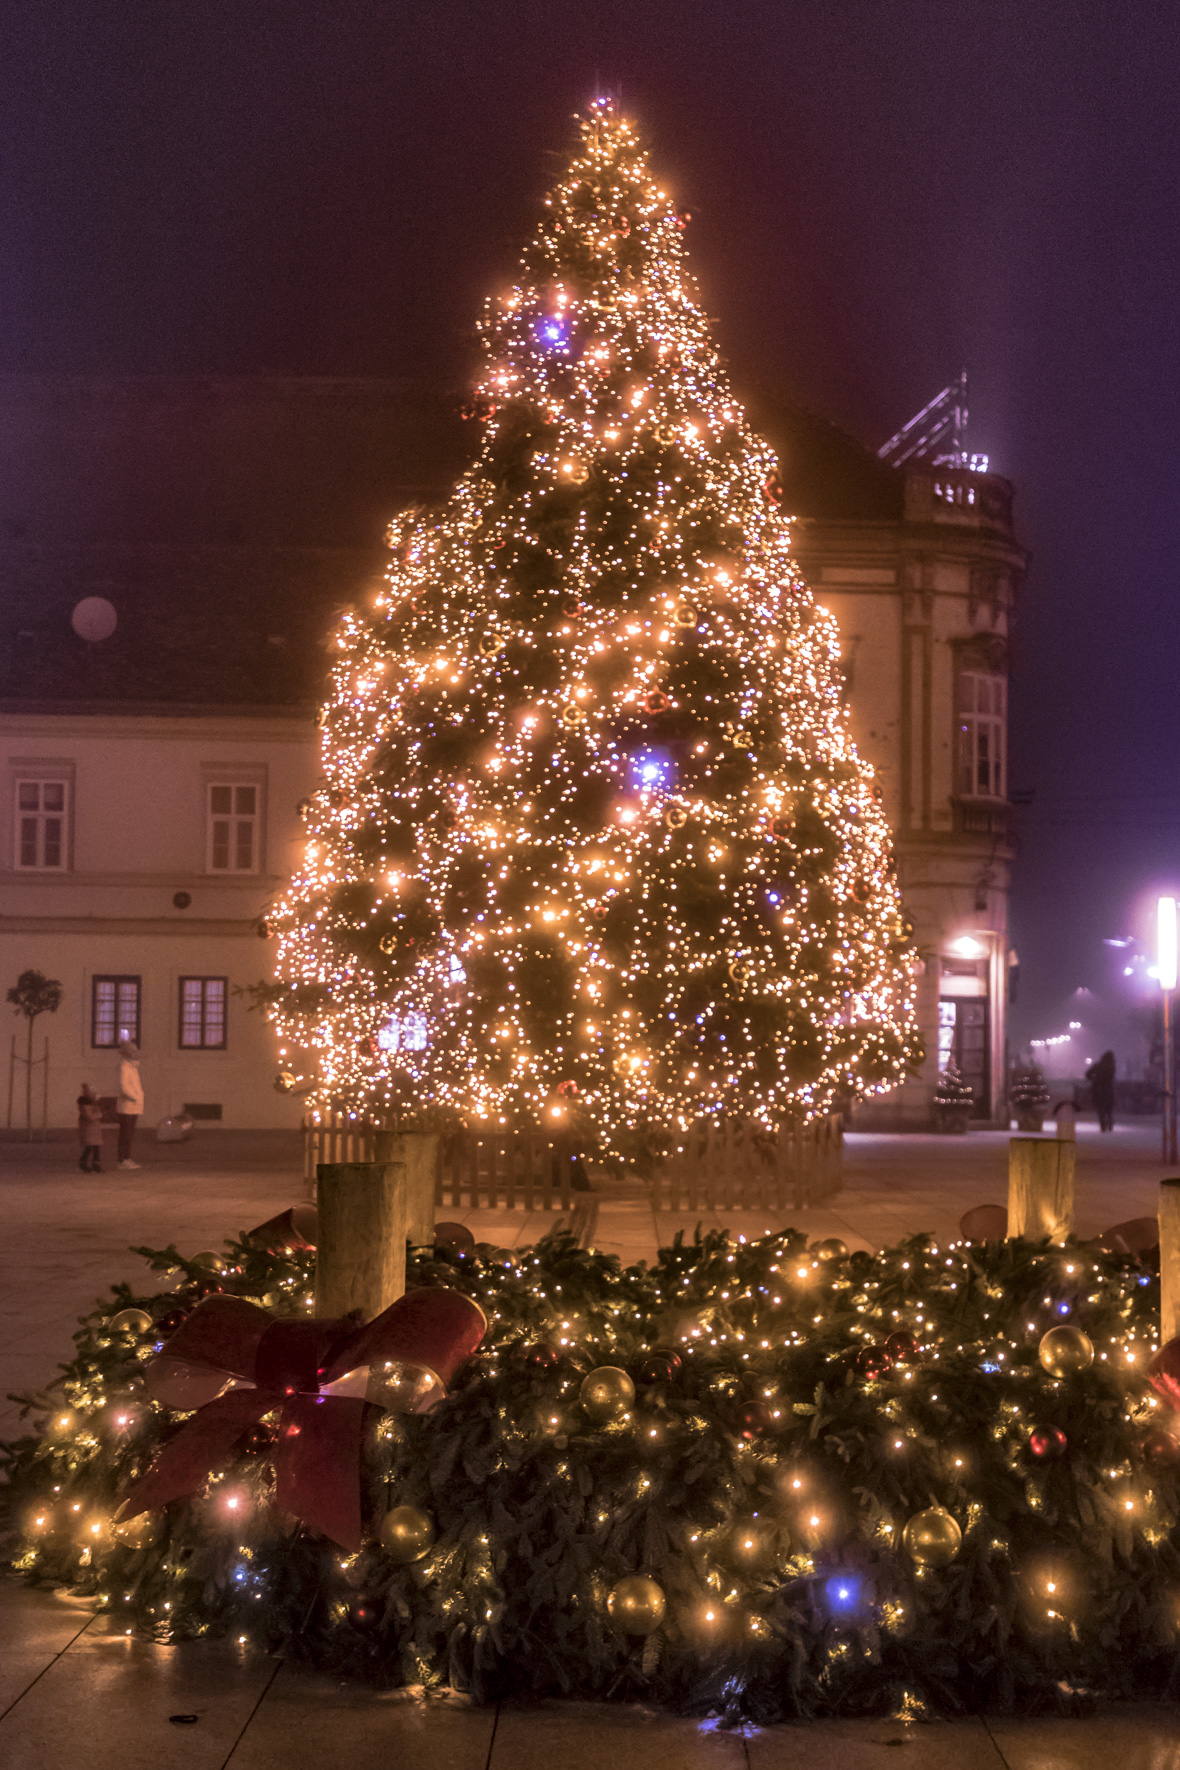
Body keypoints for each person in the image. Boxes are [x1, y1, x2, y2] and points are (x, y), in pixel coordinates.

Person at [116, 1038, 144, 1169]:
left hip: (133, 1107)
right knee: (125, 1135)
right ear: (127, 1053)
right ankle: (122, 1160)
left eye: (136, 1050)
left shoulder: (132, 1067)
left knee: (129, 1135)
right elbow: (123, 1087)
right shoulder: (124, 1067)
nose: (136, 1053)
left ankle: (126, 1158)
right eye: (133, 1051)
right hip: (127, 1107)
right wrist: (135, 1098)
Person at [1086, 1049, 1116, 1133]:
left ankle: (1103, 1126)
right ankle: (1110, 1125)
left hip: (1098, 1090)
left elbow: (1087, 1074)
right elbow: (1111, 1079)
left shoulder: (1097, 1066)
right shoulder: (1112, 1068)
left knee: (1101, 1109)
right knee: (1109, 1110)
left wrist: (1094, 1079)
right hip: (1108, 1090)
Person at [77, 1082, 104, 1173]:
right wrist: (100, 1114)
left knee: (95, 1146)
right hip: (89, 1128)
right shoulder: (85, 1104)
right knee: (90, 1146)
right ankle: (84, 1162)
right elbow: (90, 1116)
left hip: (93, 1128)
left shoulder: (91, 1103)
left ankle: (95, 1163)